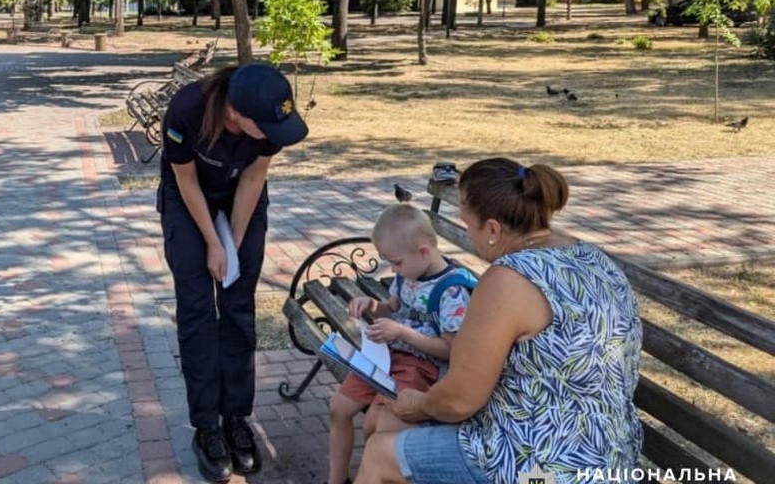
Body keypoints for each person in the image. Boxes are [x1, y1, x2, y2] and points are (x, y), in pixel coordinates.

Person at [356, 158, 643, 484]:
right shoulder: (592, 257)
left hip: (538, 461)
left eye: (468, 225)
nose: (470, 235)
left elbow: (458, 400)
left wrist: (419, 403)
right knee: (386, 423)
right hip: (609, 450)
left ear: (493, 229)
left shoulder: (506, 280)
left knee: (380, 454)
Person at [158, 62, 309, 482]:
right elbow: (184, 181)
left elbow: (255, 176)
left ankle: (237, 417)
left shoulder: (269, 129)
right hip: (189, 201)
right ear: (234, 114)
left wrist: (232, 244)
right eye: (263, 126)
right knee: (198, 311)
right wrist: (210, 241)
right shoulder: (187, 109)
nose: (274, 136)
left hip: (240, 200)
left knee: (239, 307)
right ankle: (207, 426)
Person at [325, 204, 473, 484]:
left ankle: (372, 474)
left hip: (422, 367)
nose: (393, 269)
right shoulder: (408, 275)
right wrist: (371, 305)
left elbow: (451, 350)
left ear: (423, 252)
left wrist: (403, 333)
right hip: (385, 357)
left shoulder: (452, 291)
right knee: (339, 407)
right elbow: (392, 307)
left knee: (376, 426)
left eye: (396, 262)